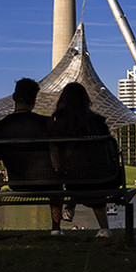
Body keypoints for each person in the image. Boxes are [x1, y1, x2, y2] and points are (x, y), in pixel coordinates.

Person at [47, 82, 115, 237]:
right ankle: (104, 229)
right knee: (91, 179)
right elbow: (109, 153)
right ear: (86, 100)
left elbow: (56, 158)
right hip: (100, 176)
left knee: (77, 176)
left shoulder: (57, 125)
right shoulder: (98, 122)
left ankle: (70, 204)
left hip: (70, 178)